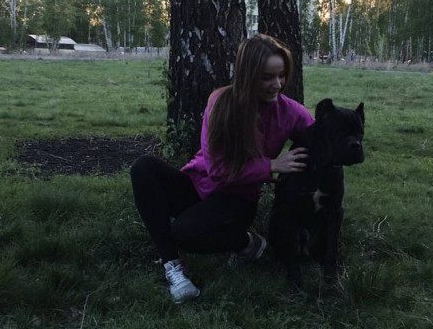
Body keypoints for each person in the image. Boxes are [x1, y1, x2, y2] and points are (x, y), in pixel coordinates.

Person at [129, 34, 314, 303]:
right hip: (198, 184)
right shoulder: (222, 103)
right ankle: (173, 267)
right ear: (248, 75)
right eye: (267, 77)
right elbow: (217, 170)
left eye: (281, 75)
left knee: (184, 233)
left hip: (237, 199)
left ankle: (246, 243)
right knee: (143, 168)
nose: (277, 84)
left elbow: (318, 138)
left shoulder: (291, 112)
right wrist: (272, 165)